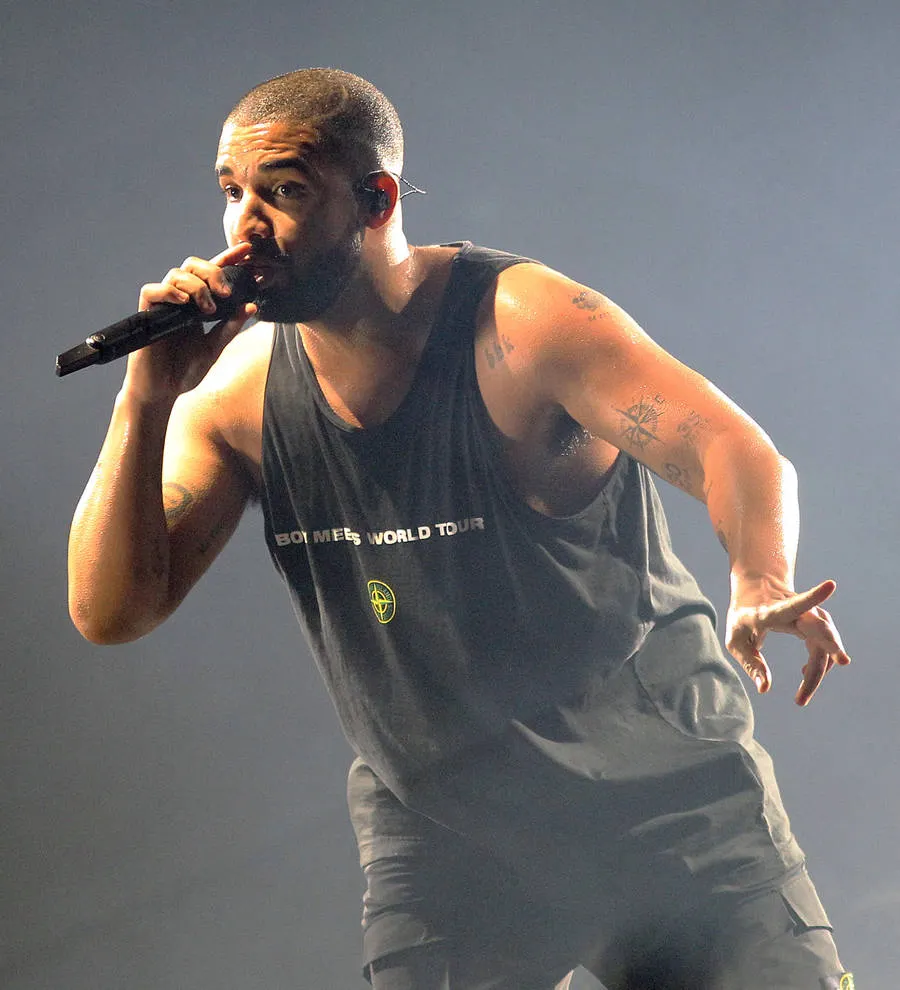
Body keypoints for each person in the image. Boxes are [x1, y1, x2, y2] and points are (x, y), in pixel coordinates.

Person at [68, 68, 855, 989]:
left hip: (666, 805)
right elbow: (110, 613)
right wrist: (145, 401)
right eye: (231, 192)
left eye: (283, 191)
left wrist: (760, 578)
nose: (245, 225)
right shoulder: (237, 394)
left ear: (376, 200)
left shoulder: (524, 327)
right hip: (451, 837)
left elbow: (731, 445)